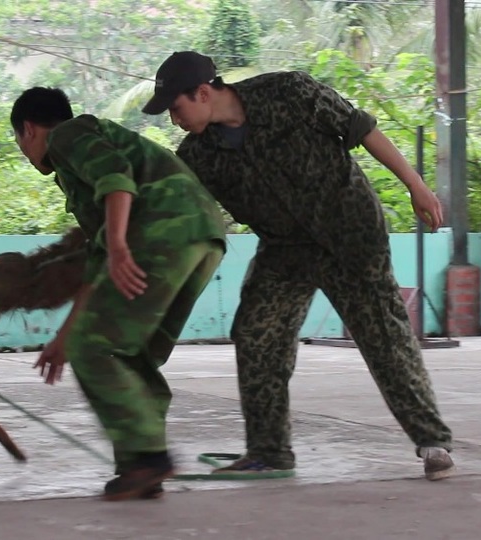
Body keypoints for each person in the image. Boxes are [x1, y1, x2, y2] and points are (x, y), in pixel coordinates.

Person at [141, 51, 455, 480]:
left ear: (202, 92)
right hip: (286, 251)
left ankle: (432, 441)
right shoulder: (199, 156)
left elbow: (363, 130)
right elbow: (174, 211)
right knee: (256, 332)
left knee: (384, 335)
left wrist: (416, 186)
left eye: (176, 109)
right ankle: (269, 452)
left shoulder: (290, 93)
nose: (175, 121)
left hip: (350, 235)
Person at [11, 87, 227, 500]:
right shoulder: (75, 166)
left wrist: (119, 246)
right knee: (132, 355)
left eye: (21, 141)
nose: (25, 150)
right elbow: (96, 262)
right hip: (202, 235)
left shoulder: (66, 136)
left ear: (29, 129)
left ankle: (147, 458)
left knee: (98, 352)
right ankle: (140, 469)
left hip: (162, 227)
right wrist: (64, 336)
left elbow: (116, 178)